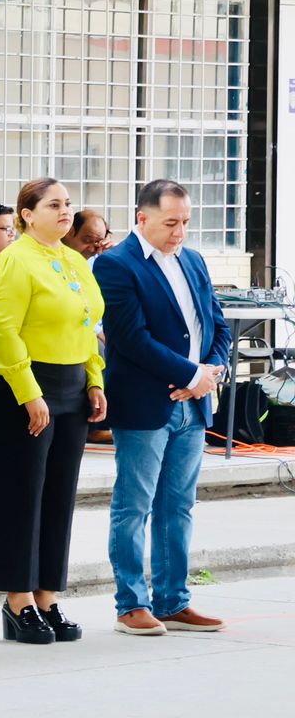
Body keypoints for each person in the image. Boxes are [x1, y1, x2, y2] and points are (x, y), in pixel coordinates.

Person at [93, 180, 233, 637]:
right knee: (134, 505)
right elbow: (130, 338)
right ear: (143, 218)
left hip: (193, 405)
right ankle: (130, 604)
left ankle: (173, 601)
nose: (180, 232)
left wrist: (210, 373)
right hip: (144, 402)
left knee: (179, 505)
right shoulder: (115, 265)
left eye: (186, 222)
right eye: (171, 222)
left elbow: (216, 322)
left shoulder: (192, 260)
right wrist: (191, 375)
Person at [0, 177, 108, 644]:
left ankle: (47, 595)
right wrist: (28, 391)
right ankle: (18, 599)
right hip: (27, 384)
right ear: (26, 214)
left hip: (72, 383)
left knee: (58, 495)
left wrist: (95, 377)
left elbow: (89, 323)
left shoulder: (73, 260)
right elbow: (3, 329)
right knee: (21, 494)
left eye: (68, 204)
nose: (65, 212)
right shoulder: (15, 260)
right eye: (53, 204)